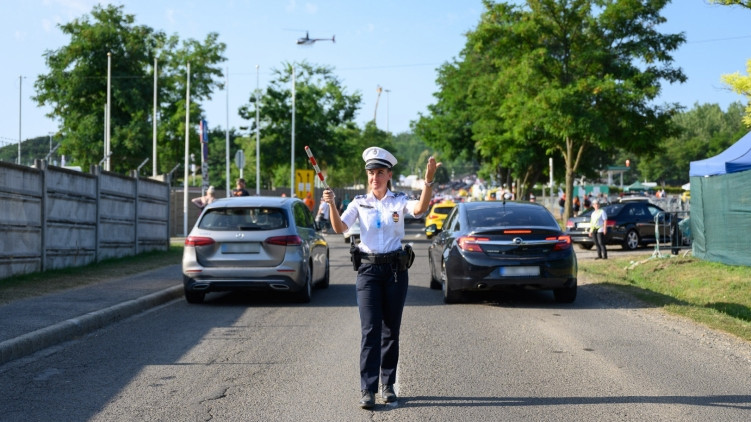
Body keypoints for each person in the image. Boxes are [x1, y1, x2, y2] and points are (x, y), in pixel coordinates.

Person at [322, 146, 439, 409]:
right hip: (369, 272)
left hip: (395, 272)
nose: (375, 177)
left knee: (390, 331)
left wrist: (428, 181)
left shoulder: (398, 200)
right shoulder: (358, 203)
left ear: (389, 175)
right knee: (370, 330)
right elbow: (340, 227)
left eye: (380, 172)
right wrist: (331, 205)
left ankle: (388, 385)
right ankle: (367, 389)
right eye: (371, 172)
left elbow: (420, 209)